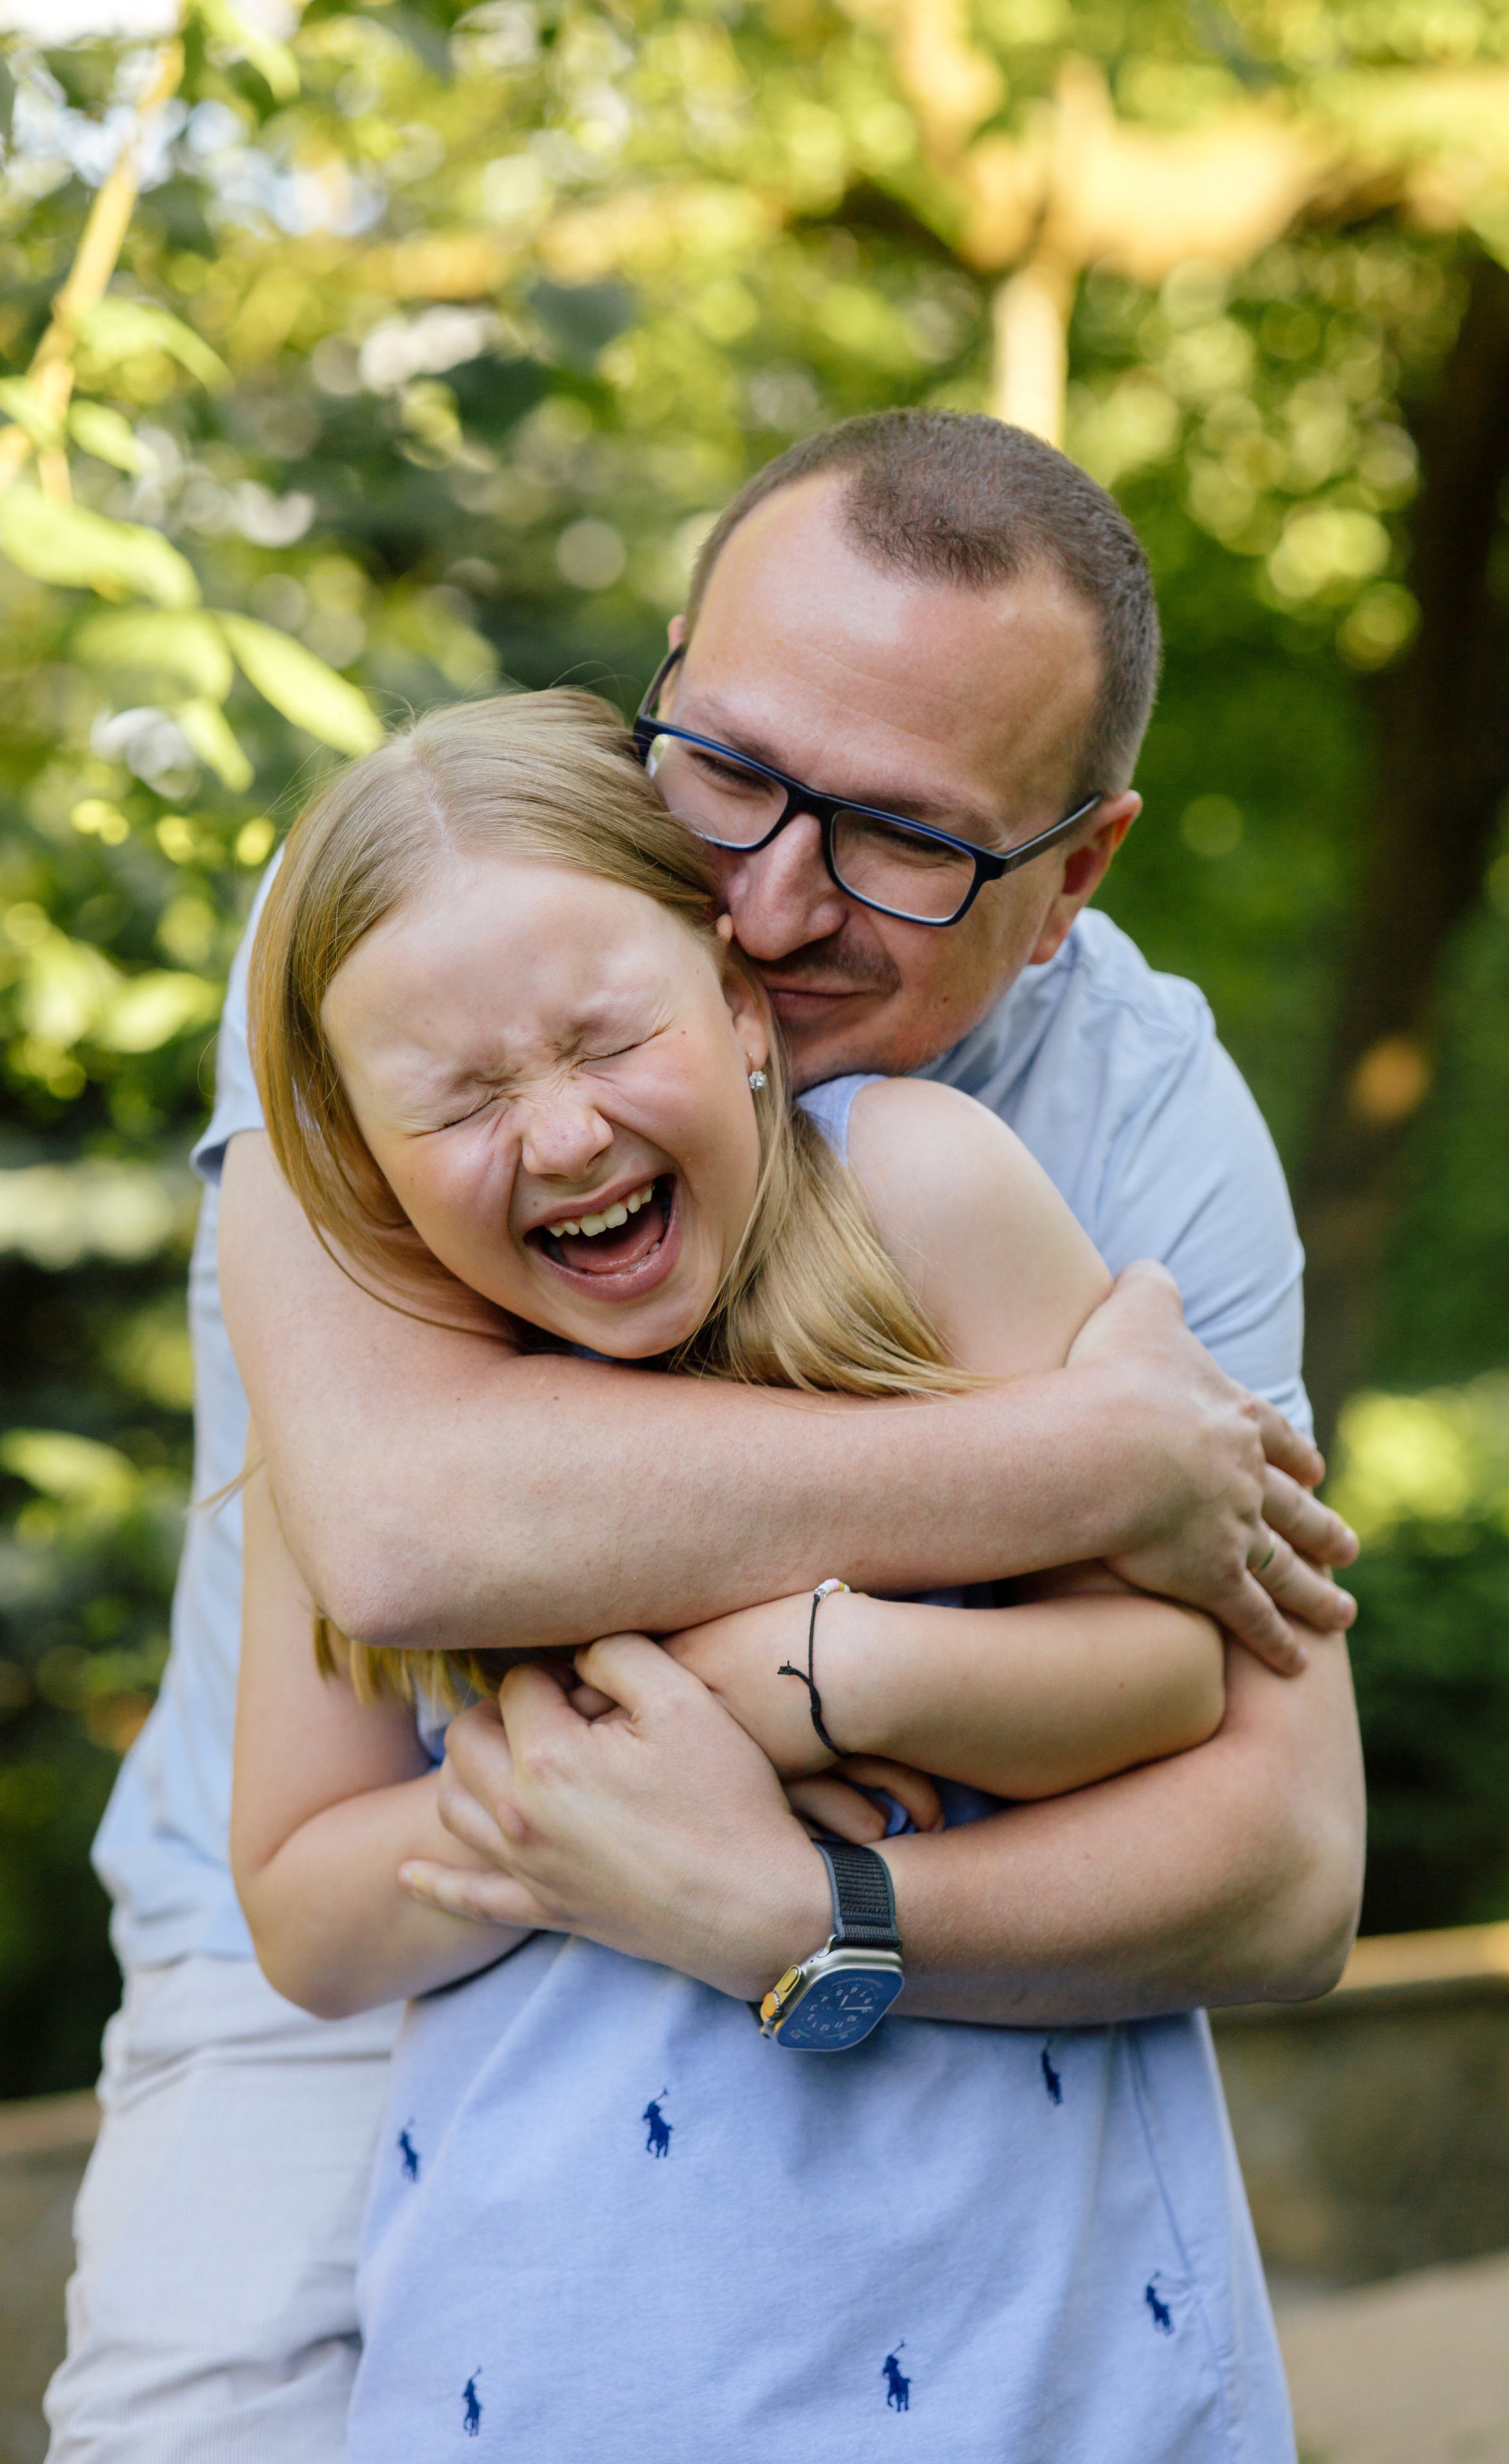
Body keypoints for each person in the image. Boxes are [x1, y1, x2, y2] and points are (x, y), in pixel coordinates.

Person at [46, 410, 1362, 2462]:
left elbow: (1281, 1862)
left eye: (904, 838)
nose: (761, 900)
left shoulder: (1132, 1118)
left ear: (1073, 875)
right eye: (730, 767)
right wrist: (1089, 1469)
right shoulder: (429, 920)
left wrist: (801, 1914)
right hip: (355, 1964)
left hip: (931, 1995)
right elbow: (400, 1536)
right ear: (667, 671)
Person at [230, 684, 1249, 2459]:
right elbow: (303, 1915)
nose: (562, 1136)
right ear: (359, 1154)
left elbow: (1169, 1676)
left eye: (609, 1039)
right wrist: (574, 1819)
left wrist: (814, 1682)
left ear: (738, 999)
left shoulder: (913, 1193)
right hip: (553, 2358)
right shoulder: (372, 1423)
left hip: (1007, 2328)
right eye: (456, 1101)